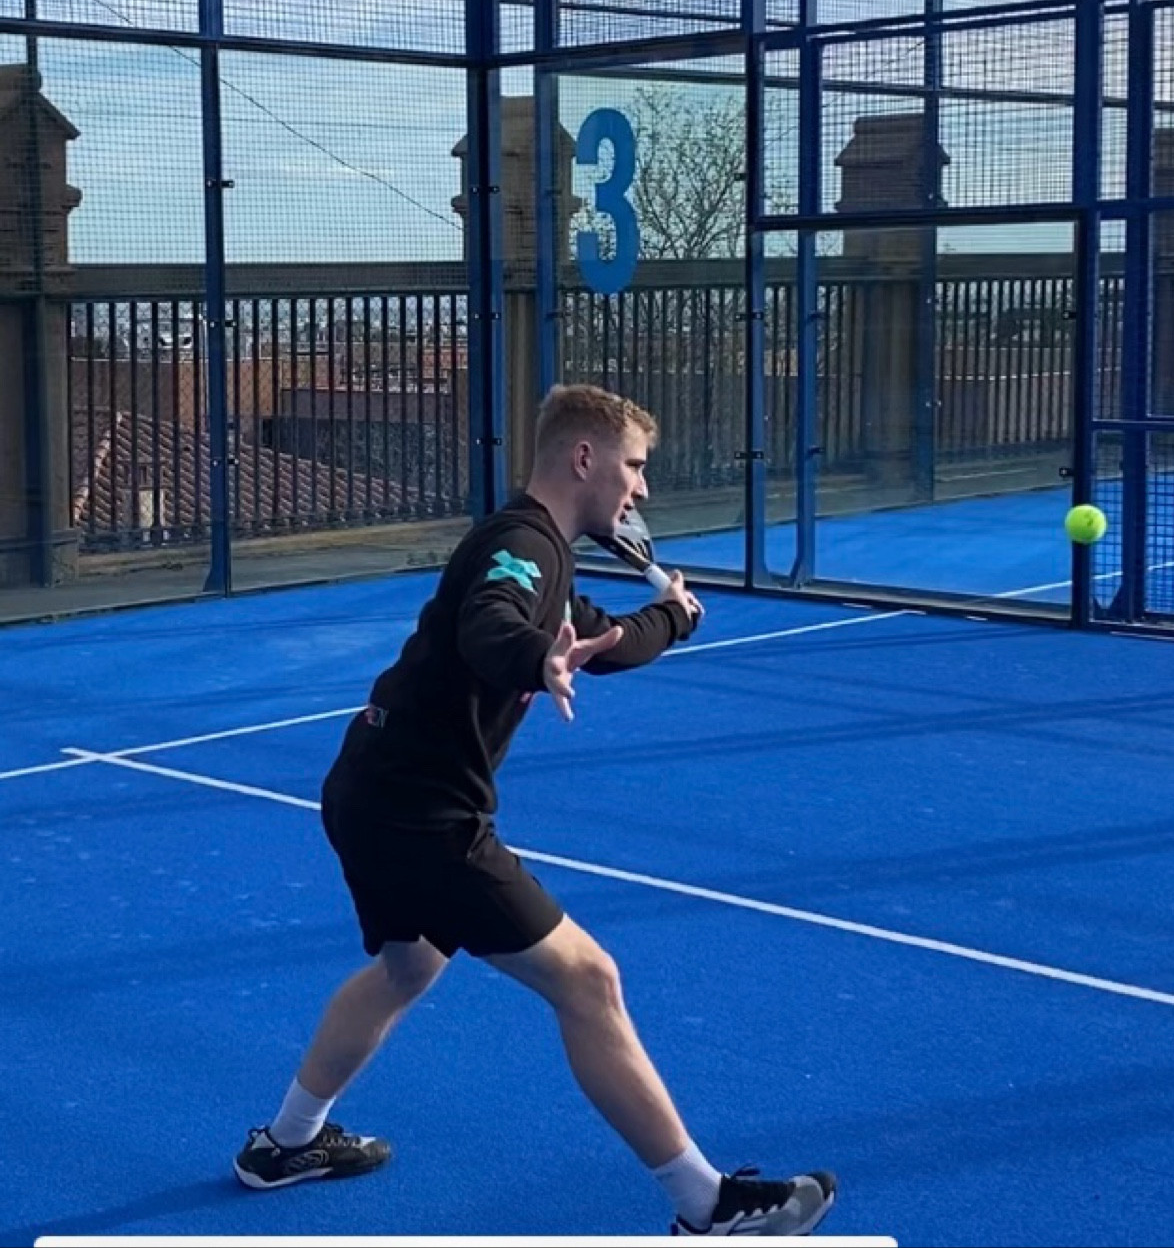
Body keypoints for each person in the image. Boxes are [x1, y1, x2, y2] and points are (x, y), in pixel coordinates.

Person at [233, 383, 837, 1237]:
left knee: (408, 967)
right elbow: (493, 623)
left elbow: (603, 643)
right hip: (422, 813)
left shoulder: (543, 550)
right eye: (634, 465)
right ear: (584, 457)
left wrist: (671, 617)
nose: (642, 487)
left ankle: (286, 1143)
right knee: (588, 980)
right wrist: (533, 660)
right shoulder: (522, 546)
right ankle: (706, 1206)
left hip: (371, 785)